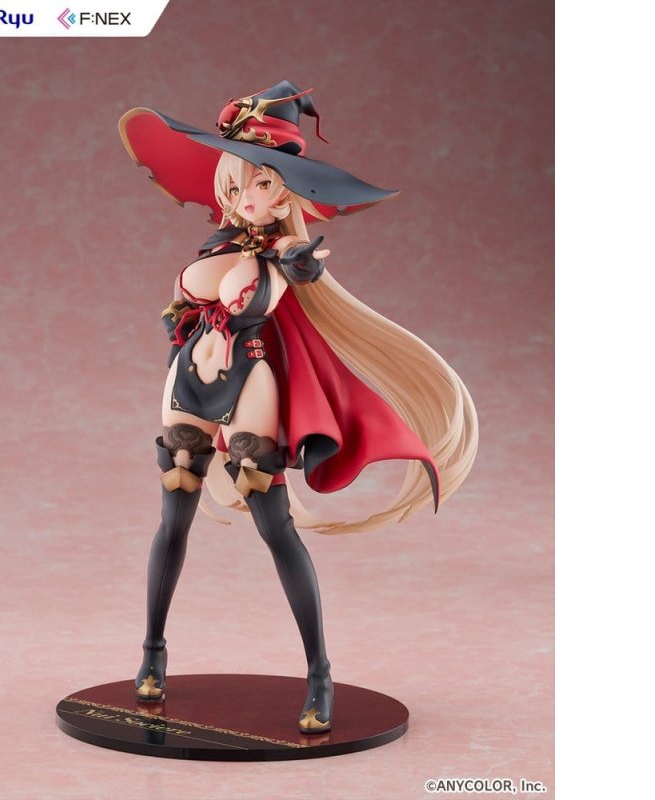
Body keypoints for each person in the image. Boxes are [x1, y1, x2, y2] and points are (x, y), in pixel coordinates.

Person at [118, 81, 478, 733]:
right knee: (173, 517)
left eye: (260, 184)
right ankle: (152, 654)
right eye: (235, 184)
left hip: (250, 379)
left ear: (285, 193)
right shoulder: (216, 248)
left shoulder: (283, 254)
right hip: (187, 382)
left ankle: (319, 676)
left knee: (274, 524)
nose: (244, 196)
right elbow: (182, 313)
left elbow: (292, 274)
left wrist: (301, 265)